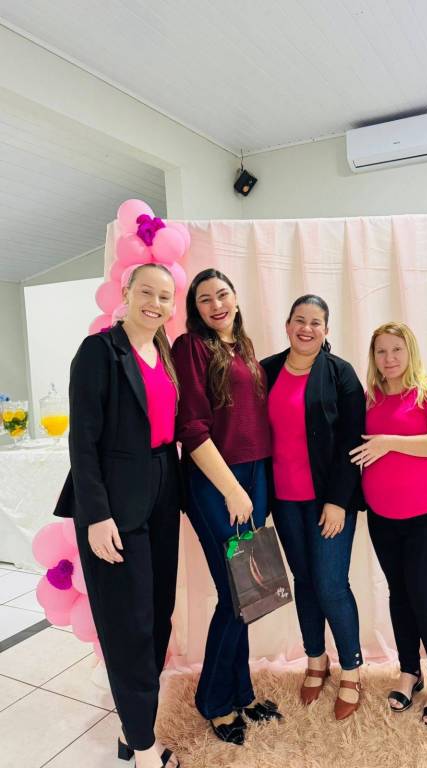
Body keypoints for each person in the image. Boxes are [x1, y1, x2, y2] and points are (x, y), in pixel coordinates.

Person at [54, 263, 182, 767]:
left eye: (165, 296)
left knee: (157, 613)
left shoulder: (164, 352)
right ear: (126, 293)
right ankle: (144, 747)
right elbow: (82, 441)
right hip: (114, 498)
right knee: (128, 622)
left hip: (163, 487)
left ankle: (136, 725)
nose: (156, 303)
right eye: (146, 292)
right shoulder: (99, 351)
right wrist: (96, 515)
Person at [172, 268, 282, 746]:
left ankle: (241, 692)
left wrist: (257, 487)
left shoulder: (245, 347)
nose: (216, 305)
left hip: (255, 477)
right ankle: (214, 701)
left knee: (251, 594)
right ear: (195, 309)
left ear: (236, 297)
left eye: (222, 295)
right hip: (217, 480)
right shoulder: (190, 347)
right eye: (205, 299)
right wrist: (233, 490)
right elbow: (192, 428)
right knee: (236, 596)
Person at [350, 321, 427, 728]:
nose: (389, 358)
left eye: (396, 349)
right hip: (384, 519)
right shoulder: (370, 399)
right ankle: (409, 672)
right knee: (400, 595)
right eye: (381, 351)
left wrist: (389, 442)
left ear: (410, 351)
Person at [261, 295, 365, 720]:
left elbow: (353, 441)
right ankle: (316, 660)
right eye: (299, 320)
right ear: (287, 325)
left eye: (315, 322)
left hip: (329, 503)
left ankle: (352, 670)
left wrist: (338, 501)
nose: (307, 328)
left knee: (330, 584)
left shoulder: (341, 374)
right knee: (304, 581)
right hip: (284, 501)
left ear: (326, 330)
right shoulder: (266, 371)